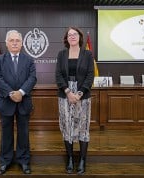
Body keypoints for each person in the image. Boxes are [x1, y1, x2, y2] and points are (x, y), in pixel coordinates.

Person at [0, 30, 37, 175]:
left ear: (22, 43)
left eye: (17, 40)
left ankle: (23, 161)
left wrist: (21, 93)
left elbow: (32, 78)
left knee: (23, 133)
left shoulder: (29, 59)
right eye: (11, 40)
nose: (14, 43)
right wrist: (11, 93)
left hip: (24, 102)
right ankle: (5, 161)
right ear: (6, 43)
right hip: (6, 102)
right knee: (6, 133)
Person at [55, 27, 94, 175]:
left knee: (83, 127)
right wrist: (68, 92)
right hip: (65, 94)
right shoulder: (61, 54)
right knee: (67, 126)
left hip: (82, 94)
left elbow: (90, 75)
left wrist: (79, 93)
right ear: (66, 38)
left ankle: (83, 160)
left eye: (75, 34)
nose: (72, 36)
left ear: (79, 37)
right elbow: (58, 75)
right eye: (69, 35)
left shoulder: (87, 54)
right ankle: (70, 158)